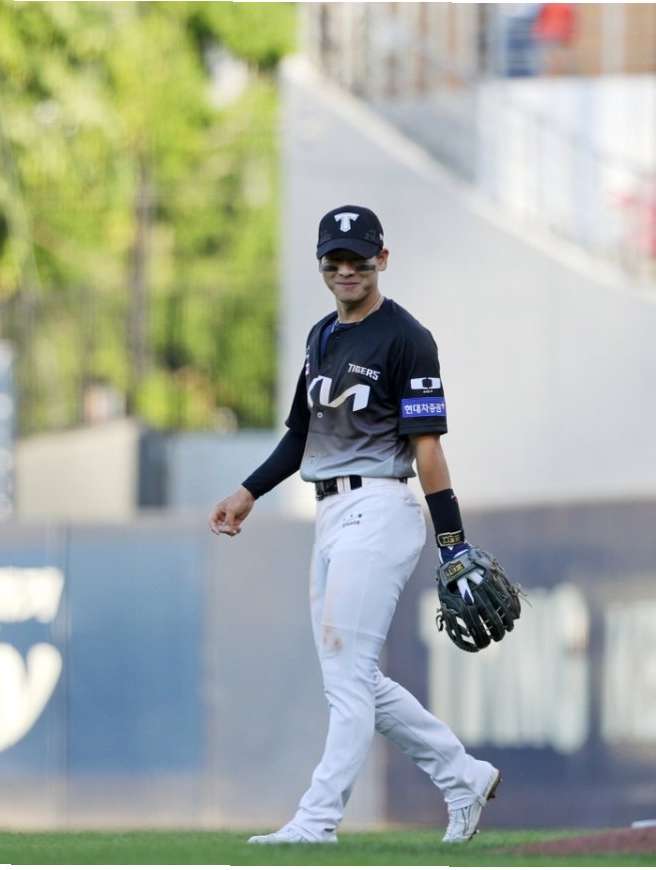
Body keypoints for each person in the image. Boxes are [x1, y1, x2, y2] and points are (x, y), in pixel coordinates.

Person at [208, 205, 501, 845]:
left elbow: (428, 448)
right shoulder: (321, 336)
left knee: (346, 677)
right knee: (355, 679)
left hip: (381, 509)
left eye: (359, 259)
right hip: (330, 513)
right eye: (335, 260)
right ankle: (464, 776)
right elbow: (301, 434)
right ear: (322, 264)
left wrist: (452, 542)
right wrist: (248, 492)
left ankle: (316, 821)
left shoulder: (407, 338)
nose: (347, 270)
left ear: (382, 260)